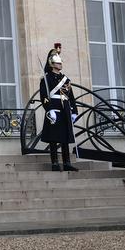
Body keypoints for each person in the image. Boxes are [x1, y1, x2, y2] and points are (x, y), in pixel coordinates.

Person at [39, 42, 79, 172]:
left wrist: (74, 111)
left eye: (61, 63)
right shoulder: (46, 78)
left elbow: (71, 96)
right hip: (54, 108)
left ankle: (67, 162)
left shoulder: (65, 79)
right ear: (52, 63)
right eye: (58, 63)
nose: (60, 64)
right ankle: (55, 163)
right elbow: (44, 95)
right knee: (54, 137)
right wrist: (49, 109)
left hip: (65, 108)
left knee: (65, 137)